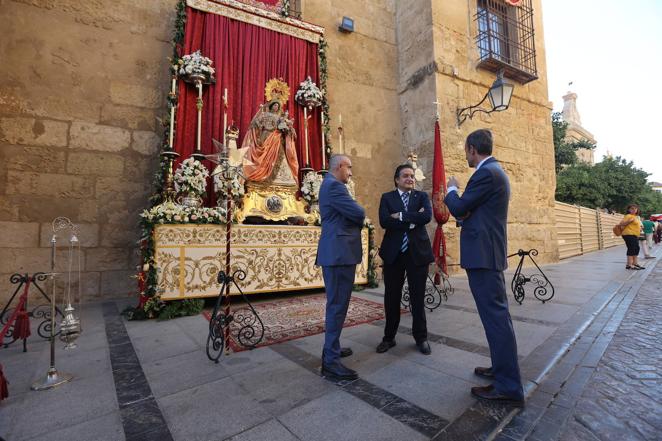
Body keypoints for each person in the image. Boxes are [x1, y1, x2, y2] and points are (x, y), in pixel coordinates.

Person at [444, 129, 524, 407]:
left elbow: (460, 207)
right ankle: (501, 369)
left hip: (484, 256)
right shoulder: (493, 172)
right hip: (486, 253)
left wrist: (451, 189)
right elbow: (473, 212)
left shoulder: (485, 173)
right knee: (496, 318)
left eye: (466, 150)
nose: (465, 155)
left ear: (471, 148)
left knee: (496, 319)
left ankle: (507, 385)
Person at [376, 164, 435, 355]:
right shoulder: (387, 198)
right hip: (394, 254)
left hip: (417, 253)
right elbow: (384, 221)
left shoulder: (421, 197)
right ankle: (389, 337)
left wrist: (401, 216)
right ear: (397, 180)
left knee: (418, 297)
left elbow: (426, 216)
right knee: (391, 297)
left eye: (412, 176)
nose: (410, 179)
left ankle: (421, 338)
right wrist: (412, 221)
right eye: (405, 176)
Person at [316, 154, 365, 381]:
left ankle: (331, 349)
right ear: (338, 167)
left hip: (338, 253)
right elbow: (359, 213)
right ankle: (331, 361)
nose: (351, 172)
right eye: (349, 168)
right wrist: (356, 215)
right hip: (338, 254)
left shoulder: (330, 185)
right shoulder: (335, 187)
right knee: (337, 306)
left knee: (338, 304)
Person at [241, 99, 299, 184]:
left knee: (277, 156)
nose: (276, 107)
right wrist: (258, 118)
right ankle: (261, 175)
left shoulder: (280, 118)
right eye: (275, 105)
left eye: (277, 106)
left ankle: (277, 178)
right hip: (265, 136)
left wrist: (288, 128)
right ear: (271, 106)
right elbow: (256, 123)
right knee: (263, 156)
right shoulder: (265, 114)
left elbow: (285, 127)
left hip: (275, 138)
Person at [618, 204, 644, 270]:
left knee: (636, 248)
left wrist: (640, 228)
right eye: (632, 208)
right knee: (631, 248)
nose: (634, 210)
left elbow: (635, 225)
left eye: (635, 208)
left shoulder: (635, 216)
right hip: (628, 234)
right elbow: (621, 223)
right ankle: (629, 265)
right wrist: (629, 221)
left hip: (634, 235)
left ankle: (635, 263)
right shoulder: (628, 216)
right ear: (629, 210)